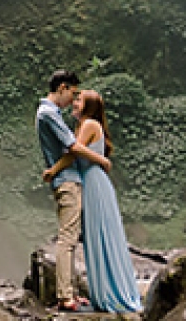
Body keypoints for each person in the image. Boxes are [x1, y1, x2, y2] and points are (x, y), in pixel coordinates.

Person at [43, 89, 143, 313]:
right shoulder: (83, 126)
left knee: (101, 236)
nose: (74, 103)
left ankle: (111, 293)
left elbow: (72, 153)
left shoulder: (89, 125)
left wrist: (53, 170)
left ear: (88, 107)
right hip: (89, 182)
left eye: (79, 100)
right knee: (94, 237)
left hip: (94, 183)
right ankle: (103, 292)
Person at [36, 69, 112, 312]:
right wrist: (102, 161)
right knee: (67, 240)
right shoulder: (49, 113)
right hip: (67, 181)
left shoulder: (51, 113)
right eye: (73, 93)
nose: (73, 99)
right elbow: (72, 147)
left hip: (67, 179)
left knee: (70, 238)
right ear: (62, 88)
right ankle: (65, 296)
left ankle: (71, 294)